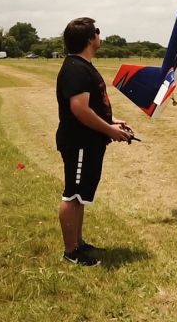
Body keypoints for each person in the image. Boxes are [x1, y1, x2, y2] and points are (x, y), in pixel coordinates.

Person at [56, 17, 134, 266]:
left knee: (81, 195)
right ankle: (71, 252)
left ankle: (78, 244)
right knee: (73, 195)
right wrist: (109, 130)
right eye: (97, 32)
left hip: (88, 141)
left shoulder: (82, 65)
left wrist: (115, 123)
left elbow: (92, 107)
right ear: (90, 39)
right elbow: (79, 109)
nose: (100, 36)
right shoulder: (76, 68)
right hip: (79, 142)